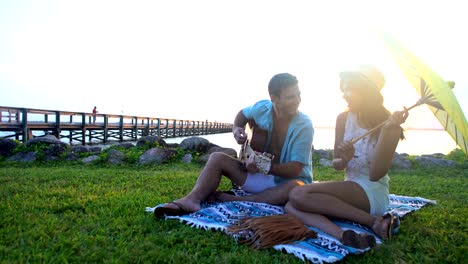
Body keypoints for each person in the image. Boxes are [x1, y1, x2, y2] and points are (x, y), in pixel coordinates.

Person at [154, 73, 314, 217]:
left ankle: (241, 199)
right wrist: (237, 130)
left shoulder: (304, 125)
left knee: (297, 186)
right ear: (274, 98)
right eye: (291, 97)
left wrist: (263, 166)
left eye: (298, 95)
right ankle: (192, 199)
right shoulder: (262, 108)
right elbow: (241, 115)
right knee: (217, 157)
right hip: (259, 177)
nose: (297, 100)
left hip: (286, 184)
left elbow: (295, 169)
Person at [284, 65, 409, 249]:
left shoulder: (390, 125)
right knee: (290, 205)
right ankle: (343, 235)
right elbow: (337, 165)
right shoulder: (342, 119)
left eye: (350, 88)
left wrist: (387, 131)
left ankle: (372, 221)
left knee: (298, 194)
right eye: (344, 89)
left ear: (366, 91)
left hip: (371, 192)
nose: (345, 94)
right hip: (351, 187)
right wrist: (345, 159)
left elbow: (375, 174)